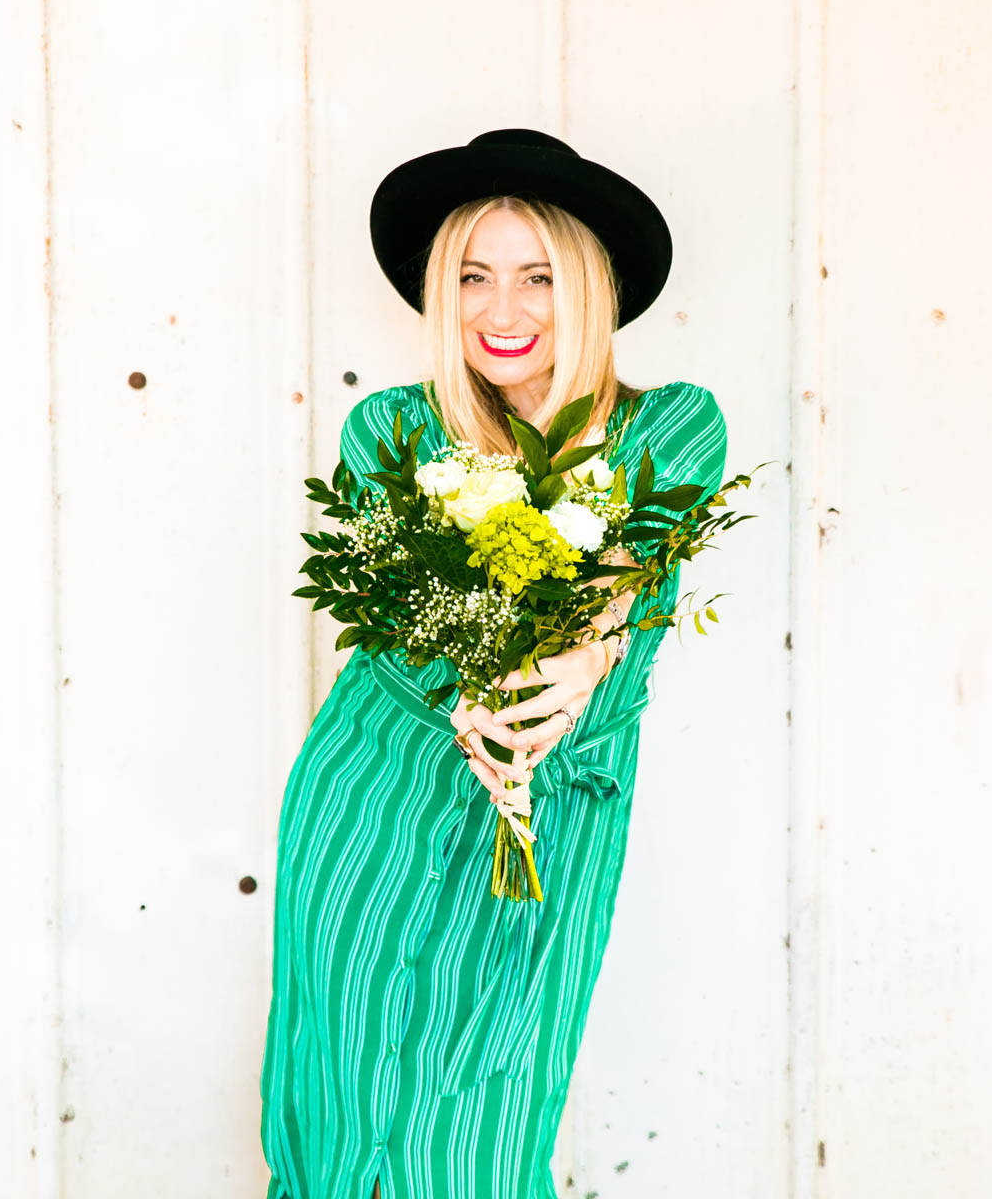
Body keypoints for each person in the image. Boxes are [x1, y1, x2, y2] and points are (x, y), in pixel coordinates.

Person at [259, 128, 728, 1199]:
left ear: (590, 290)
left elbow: (624, 568)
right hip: (374, 796)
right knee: (335, 1104)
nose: (501, 312)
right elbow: (414, 620)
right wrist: (490, 694)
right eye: (472, 277)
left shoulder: (674, 428)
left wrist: (593, 647)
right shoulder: (392, 430)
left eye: (537, 278)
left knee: (478, 1124)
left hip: (551, 812)